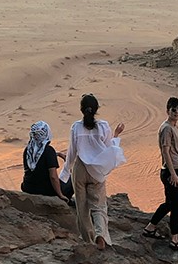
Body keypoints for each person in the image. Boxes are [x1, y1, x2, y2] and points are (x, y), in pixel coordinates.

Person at [60, 94, 125, 250]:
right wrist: (116, 135)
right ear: (96, 110)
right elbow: (110, 149)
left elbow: (72, 151)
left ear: (81, 109)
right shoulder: (103, 126)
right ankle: (100, 235)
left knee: (81, 207)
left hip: (80, 169)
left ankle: (88, 240)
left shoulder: (76, 127)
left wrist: (65, 172)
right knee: (99, 205)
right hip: (97, 170)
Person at [143, 97, 178, 250]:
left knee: (170, 204)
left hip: (173, 168)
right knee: (177, 206)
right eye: (173, 109)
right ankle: (174, 239)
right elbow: (165, 151)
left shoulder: (173, 126)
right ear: (167, 110)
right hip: (171, 170)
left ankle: (150, 227)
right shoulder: (167, 128)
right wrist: (173, 174)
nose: (176, 112)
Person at [20, 121, 73, 204]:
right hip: (46, 190)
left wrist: (56, 154)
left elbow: (39, 159)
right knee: (73, 180)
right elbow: (53, 177)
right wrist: (60, 195)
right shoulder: (48, 150)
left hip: (27, 187)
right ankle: (67, 201)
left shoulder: (28, 150)